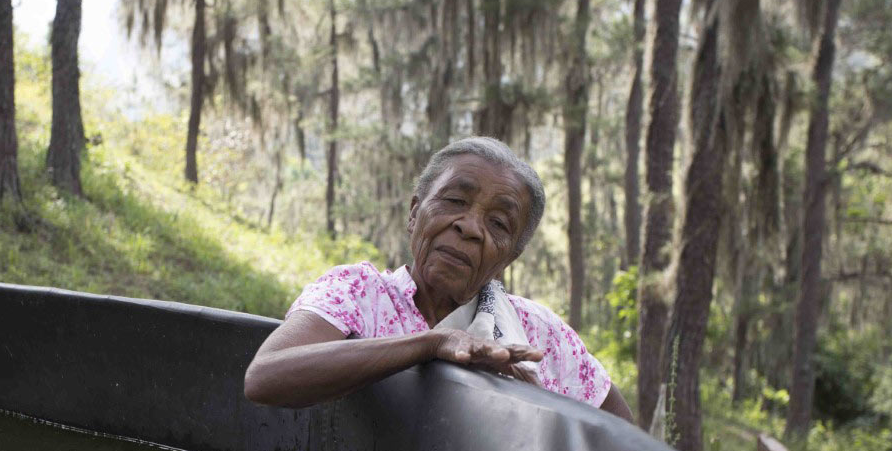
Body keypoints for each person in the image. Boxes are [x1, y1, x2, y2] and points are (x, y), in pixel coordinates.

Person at [244, 136, 634, 423]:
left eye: (498, 223)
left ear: (508, 258)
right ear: (415, 213)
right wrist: (431, 344)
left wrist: (540, 411)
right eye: (455, 201)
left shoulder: (541, 334)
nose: (470, 227)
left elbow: (623, 441)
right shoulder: (358, 292)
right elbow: (266, 377)